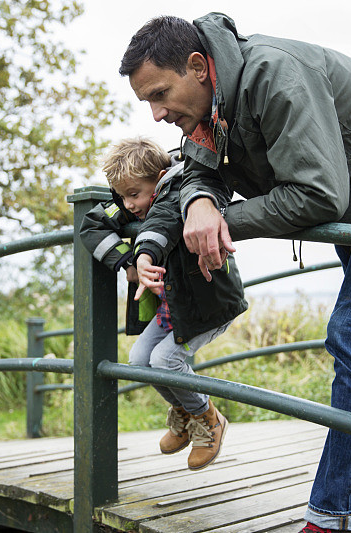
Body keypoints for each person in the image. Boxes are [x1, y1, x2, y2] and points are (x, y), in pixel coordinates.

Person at [119, 13, 351, 533]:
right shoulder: (210, 106)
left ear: (198, 67)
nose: (157, 114)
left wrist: (221, 219)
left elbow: (318, 194)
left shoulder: (274, 77)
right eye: (148, 103)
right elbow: (199, 169)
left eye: (161, 94)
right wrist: (201, 200)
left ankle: (333, 515)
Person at [79, 137, 248, 471]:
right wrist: (127, 264)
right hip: (174, 306)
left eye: (134, 195)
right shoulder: (125, 200)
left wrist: (143, 254)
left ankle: (208, 420)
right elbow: (91, 225)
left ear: (158, 177)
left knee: (165, 360)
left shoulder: (177, 189)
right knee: (140, 361)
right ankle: (186, 412)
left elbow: (162, 222)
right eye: (123, 196)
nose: (128, 206)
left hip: (207, 304)